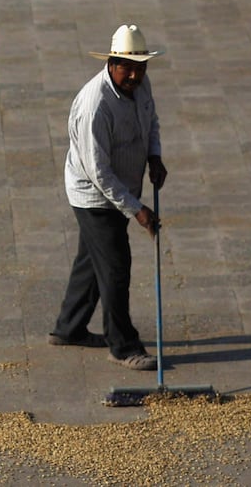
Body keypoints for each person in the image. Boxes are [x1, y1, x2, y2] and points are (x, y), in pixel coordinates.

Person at [48, 23, 168, 371]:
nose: (134, 75)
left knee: (92, 261)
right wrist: (137, 210)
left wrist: (154, 157)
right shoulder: (95, 106)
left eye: (140, 67)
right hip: (95, 197)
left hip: (123, 188)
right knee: (115, 267)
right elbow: (98, 173)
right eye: (127, 67)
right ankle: (123, 345)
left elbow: (152, 122)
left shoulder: (142, 86)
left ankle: (68, 328)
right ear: (111, 63)